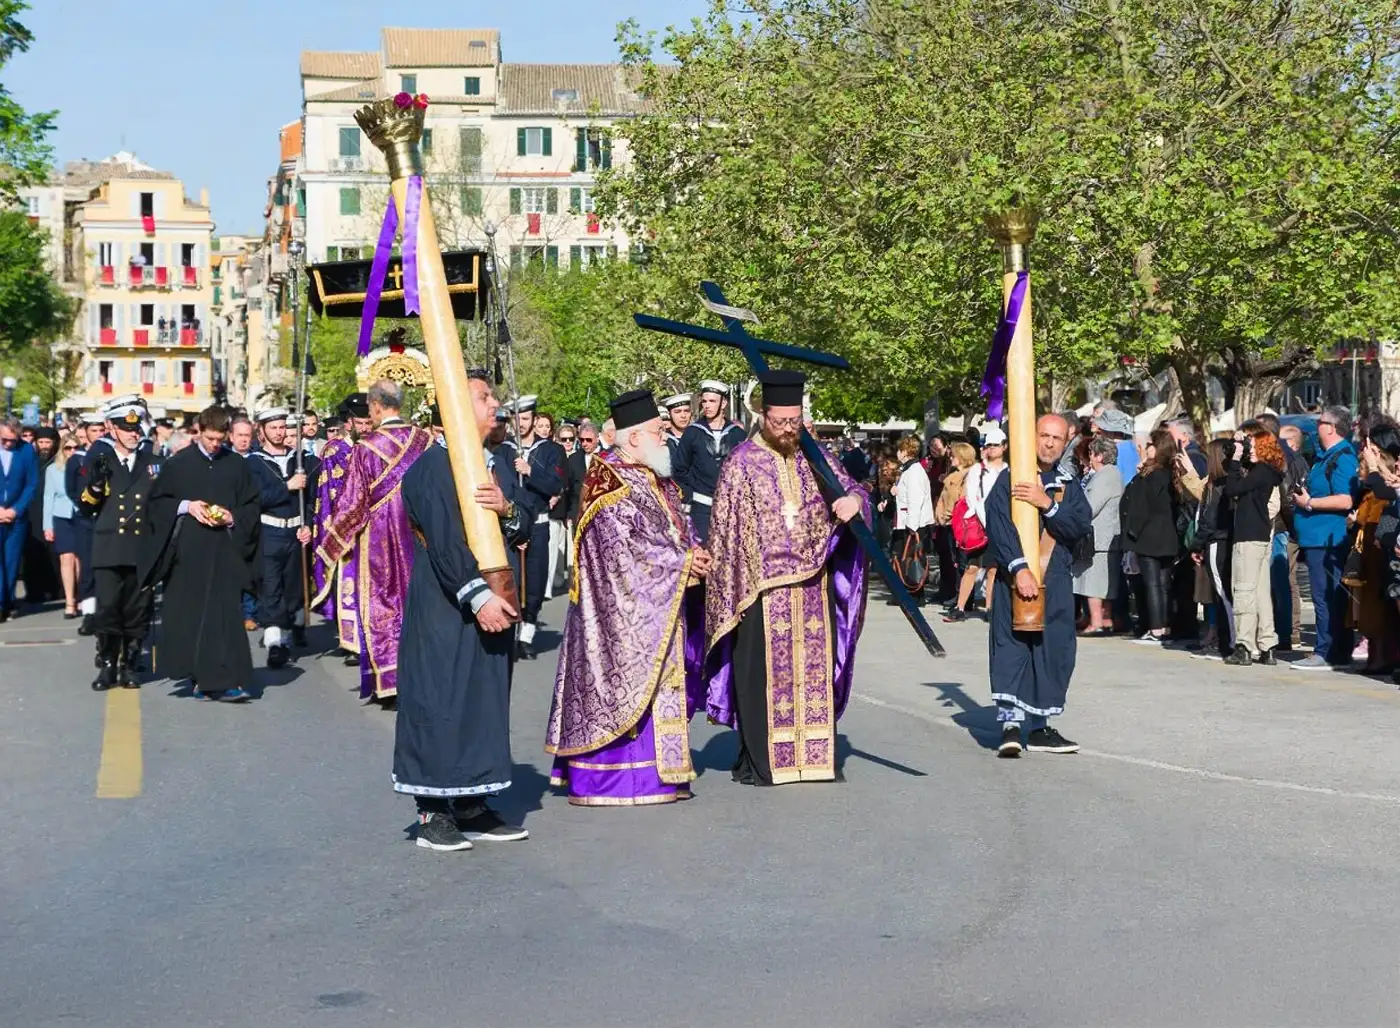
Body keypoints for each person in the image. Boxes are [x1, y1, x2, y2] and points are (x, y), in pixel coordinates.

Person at [704, 370, 869, 786]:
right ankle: (766, 761)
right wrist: (731, 595)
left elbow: (854, 491)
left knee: (812, 674)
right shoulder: (740, 463)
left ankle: (810, 756)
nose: (788, 430)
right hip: (760, 591)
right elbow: (724, 533)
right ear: (764, 416)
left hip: (812, 585)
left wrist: (853, 501)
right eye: (781, 422)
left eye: (795, 422)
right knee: (761, 680)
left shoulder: (814, 456)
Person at [547, 389, 708, 806]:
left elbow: (674, 531)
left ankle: (663, 773)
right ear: (635, 437)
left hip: (659, 602)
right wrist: (682, 563)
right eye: (659, 431)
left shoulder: (655, 476)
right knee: (625, 684)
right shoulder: (609, 480)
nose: (666, 437)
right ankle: (616, 779)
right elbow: (622, 551)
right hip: (619, 612)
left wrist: (696, 552)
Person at [394, 372, 534, 851]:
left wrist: (508, 508)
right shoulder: (433, 467)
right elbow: (445, 541)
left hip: (494, 601)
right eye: (483, 397)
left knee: (482, 699)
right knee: (440, 698)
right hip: (445, 606)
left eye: (492, 395)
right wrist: (477, 596)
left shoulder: (497, 464)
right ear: (454, 405)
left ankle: (474, 801)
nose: (494, 403)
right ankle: (433, 810)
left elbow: (522, 527)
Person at [985, 414, 1093, 757]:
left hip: (1057, 581)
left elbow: (1079, 526)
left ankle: (1041, 727)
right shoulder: (1011, 479)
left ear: (1066, 442)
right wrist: (1018, 569)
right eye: (1044, 435)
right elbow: (999, 524)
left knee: (1055, 652)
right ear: (1032, 437)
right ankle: (1009, 727)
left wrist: (1047, 504)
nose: (1049, 443)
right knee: (1010, 651)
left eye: (1056, 438)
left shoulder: (1068, 484)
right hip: (1014, 581)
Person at [315, 381, 429, 701]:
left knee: (384, 603)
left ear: (376, 406)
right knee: (418, 603)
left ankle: (390, 681)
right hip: (421, 535)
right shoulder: (426, 440)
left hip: (379, 540)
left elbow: (352, 505)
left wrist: (329, 547)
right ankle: (420, 675)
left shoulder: (366, 449)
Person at [143, 406, 260, 702]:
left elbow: (251, 505)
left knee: (223, 617)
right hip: (188, 553)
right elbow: (156, 504)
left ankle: (224, 680)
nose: (215, 445)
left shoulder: (235, 464)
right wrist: (186, 505)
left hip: (224, 551)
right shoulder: (178, 464)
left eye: (220, 439)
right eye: (210, 438)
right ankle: (200, 677)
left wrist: (232, 517)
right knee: (192, 615)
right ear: (199, 430)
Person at [77, 399, 162, 689]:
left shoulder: (153, 464)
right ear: (112, 429)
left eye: (136, 428)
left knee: (138, 610)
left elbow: (164, 504)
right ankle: (108, 664)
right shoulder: (100, 460)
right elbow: (85, 506)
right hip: (109, 546)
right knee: (108, 609)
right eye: (126, 429)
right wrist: (96, 486)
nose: (133, 434)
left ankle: (131, 665)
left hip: (140, 548)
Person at [498, 395, 567, 660]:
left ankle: (527, 635)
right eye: (517, 419)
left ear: (535, 420)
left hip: (538, 524)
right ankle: (509, 632)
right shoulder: (504, 449)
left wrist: (530, 471)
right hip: (510, 526)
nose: (521, 424)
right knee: (510, 579)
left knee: (535, 582)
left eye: (526, 418)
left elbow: (555, 485)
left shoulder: (550, 450)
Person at [248, 408, 318, 668]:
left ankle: (288, 633)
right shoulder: (253, 463)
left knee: (292, 587)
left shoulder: (299, 460)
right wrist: (285, 487)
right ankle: (274, 641)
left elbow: (310, 501)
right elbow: (254, 499)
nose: (278, 433)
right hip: (269, 531)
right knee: (270, 587)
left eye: (281, 427)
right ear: (262, 431)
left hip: (294, 531)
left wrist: (308, 525)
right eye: (273, 428)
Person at [1292, 405, 1359, 671]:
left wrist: (1310, 503)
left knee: (1325, 596)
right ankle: (1336, 651)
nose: (1316, 426)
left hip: (1328, 538)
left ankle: (1326, 650)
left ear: (1331, 427)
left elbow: (1346, 499)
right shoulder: (1325, 456)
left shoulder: (1342, 457)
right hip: (1317, 537)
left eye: (1320, 422)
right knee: (1327, 596)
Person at [1220, 425, 1285, 666]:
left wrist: (1236, 461)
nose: (1250, 450)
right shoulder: (1269, 472)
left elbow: (1232, 489)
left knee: (1244, 590)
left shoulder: (1260, 472)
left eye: (1253, 446)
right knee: (1260, 592)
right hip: (1261, 534)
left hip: (1248, 536)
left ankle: (1244, 645)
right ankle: (1268, 644)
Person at [310, 397, 365, 667]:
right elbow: (327, 494)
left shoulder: (375, 448)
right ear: (349, 423)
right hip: (345, 528)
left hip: (373, 529)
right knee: (348, 584)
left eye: (369, 422)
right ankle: (352, 641)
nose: (365, 427)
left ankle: (372, 639)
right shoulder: (335, 452)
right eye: (361, 422)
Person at [1120, 428, 1182, 645]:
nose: (1145, 449)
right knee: (1164, 583)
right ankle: (1164, 627)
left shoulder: (1151, 476)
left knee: (1153, 584)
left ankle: (1155, 628)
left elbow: (1138, 504)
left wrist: (1132, 532)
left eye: (1149, 445)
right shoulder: (1169, 474)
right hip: (1167, 535)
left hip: (1148, 536)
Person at [946, 427, 1007, 622]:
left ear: (1004, 447)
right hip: (980, 525)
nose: (991, 449)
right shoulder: (977, 470)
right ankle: (960, 606)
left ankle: (990, 608)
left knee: (993, 569)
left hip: (1001, 525)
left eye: (995, 445)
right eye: (987, 445)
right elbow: (972, 498)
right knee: (972, 567)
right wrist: (985, 521)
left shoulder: (1008, 471)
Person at [672, 380, 747, 542]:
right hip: (701, 508)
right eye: (704, 401)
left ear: (724, 403)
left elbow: (746, 471)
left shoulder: (738, 435)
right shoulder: (692, 433)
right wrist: (696, 488)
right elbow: (679, 469)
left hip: (732, 509)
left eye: (712, 401)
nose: (707, 405)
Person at [1190, 439, 1237, 661]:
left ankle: (1229, 642)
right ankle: (1225, 639)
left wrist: (1197, 544)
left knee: (1222, 593)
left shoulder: (1217, 485)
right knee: (1223, 593)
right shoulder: (1226, 483)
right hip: (1222, 540)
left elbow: (1208, 520)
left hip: (1217, 542)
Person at [1072, 436, 1124, 635]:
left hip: (1102, 537)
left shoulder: (1105, 476)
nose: (1090, 459)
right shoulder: (1111, 474)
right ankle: (1103, 619)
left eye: (1092, 454)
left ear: (1100, 455)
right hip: (1104, 536)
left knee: (1095, 583)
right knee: (1100, 582)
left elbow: (1090, 506)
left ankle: (1097, 622)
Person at [65, 414, 107, 633]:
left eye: (102, 430)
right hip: (85, 521)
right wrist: (84, 508)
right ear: (86, 433)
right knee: (88, 569)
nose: (98, 435)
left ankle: (106, 612)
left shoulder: (111, 456)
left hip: (107, 520)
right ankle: (89, 614)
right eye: (94, 431)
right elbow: (71, 489)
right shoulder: (78, 459)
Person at [0, 417, 39, 622]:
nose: (8, 444)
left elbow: (31, 483)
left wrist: (16, 509)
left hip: (16, 517)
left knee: (11, 562)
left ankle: (7, 601)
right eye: (4, 439)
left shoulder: (26, 451)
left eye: (12, 440)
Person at [891, 434, 934, 605]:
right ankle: (909, 592)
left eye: (899, 450)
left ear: (906, 451)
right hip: (907, 521)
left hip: (912, 523)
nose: (897, 453)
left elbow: (915, 500)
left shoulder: (914, 472)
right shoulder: (909, 470)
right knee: (906, 558)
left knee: (912, 558)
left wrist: (912, 525)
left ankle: (914, 593)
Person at [532, 410, 570, 599]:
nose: (544, 429)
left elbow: (563, 476)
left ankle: (545, 588)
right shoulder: (529, 449)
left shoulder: (557, 449)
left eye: (547, 426)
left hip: (552, 506)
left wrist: (556, 494)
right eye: (541, 426)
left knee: (551, 546)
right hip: (532, 505)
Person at [43, 433, 82, 617]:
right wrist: (47, 525)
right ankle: (69, 601)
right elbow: (48, 497)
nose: (72, 452)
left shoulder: (85, 467)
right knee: (66, 558)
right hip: (61, 515)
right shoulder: (53, 469)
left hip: (82, 515)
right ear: (62, 449)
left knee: (80, 559)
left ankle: (82, 596)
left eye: (75, 448)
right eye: (68, 448)